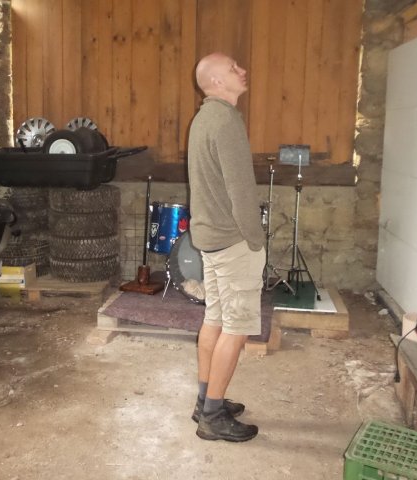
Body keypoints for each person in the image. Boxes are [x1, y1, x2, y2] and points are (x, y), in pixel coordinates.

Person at [187, 52, 265, 442]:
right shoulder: (227, 121)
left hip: (211, 239)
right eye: (234, 68)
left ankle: (206, 400)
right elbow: (241, 191)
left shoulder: (204, 118)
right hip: (233, 242)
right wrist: (256, 238)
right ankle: (213, 418)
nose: (242, 70)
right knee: (236, 327)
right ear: (217, 81)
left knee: (215, 319)